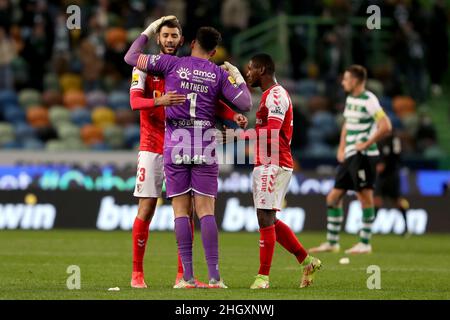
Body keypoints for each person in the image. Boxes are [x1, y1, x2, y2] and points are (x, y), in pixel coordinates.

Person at [125, 16, 252, 288]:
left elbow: (214, 103)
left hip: (175, 143)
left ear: (184, 41)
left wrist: (231, 116)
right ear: (158, 38)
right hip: (153, 144)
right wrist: (159, 100)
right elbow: (135, 101)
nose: (170, 40)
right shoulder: (147, 67)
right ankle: (138, 273)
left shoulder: (177, 66)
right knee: (148, 208)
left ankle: (184, 275)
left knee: (185, 210)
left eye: (174, 36)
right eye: (165, 35)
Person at [231, 53, 322, 289]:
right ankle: (307, 260)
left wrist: (238, 136)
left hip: (275, 162)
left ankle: (263, 278)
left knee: (265, 218)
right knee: (269, 218)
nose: (248, 73)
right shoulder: (268, 96)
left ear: (262, 70)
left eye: (250, 69)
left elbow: (271, 134)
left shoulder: (277, 96)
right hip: (266, 161)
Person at [309, 65, 392, 255]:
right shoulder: (351, 99)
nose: (343, 82)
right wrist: (341, 147)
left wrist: (367, 143)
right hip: (350, 155)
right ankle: (332, 242)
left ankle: (365, 243)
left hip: (364, 156)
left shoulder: (369, 100)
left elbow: (385, 125)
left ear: (355, 80)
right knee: (333, 198)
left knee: (365, 197)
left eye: (346, 79)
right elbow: (347, 124)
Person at [374, 131, 410, 236]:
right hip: (381, 177)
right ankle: (369, 228)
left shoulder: (394, 140)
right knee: (377, 200)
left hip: (392, 175)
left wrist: (385, 164)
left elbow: (397, 157)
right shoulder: (378, 140)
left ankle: (406, 227)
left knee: (397, 202)